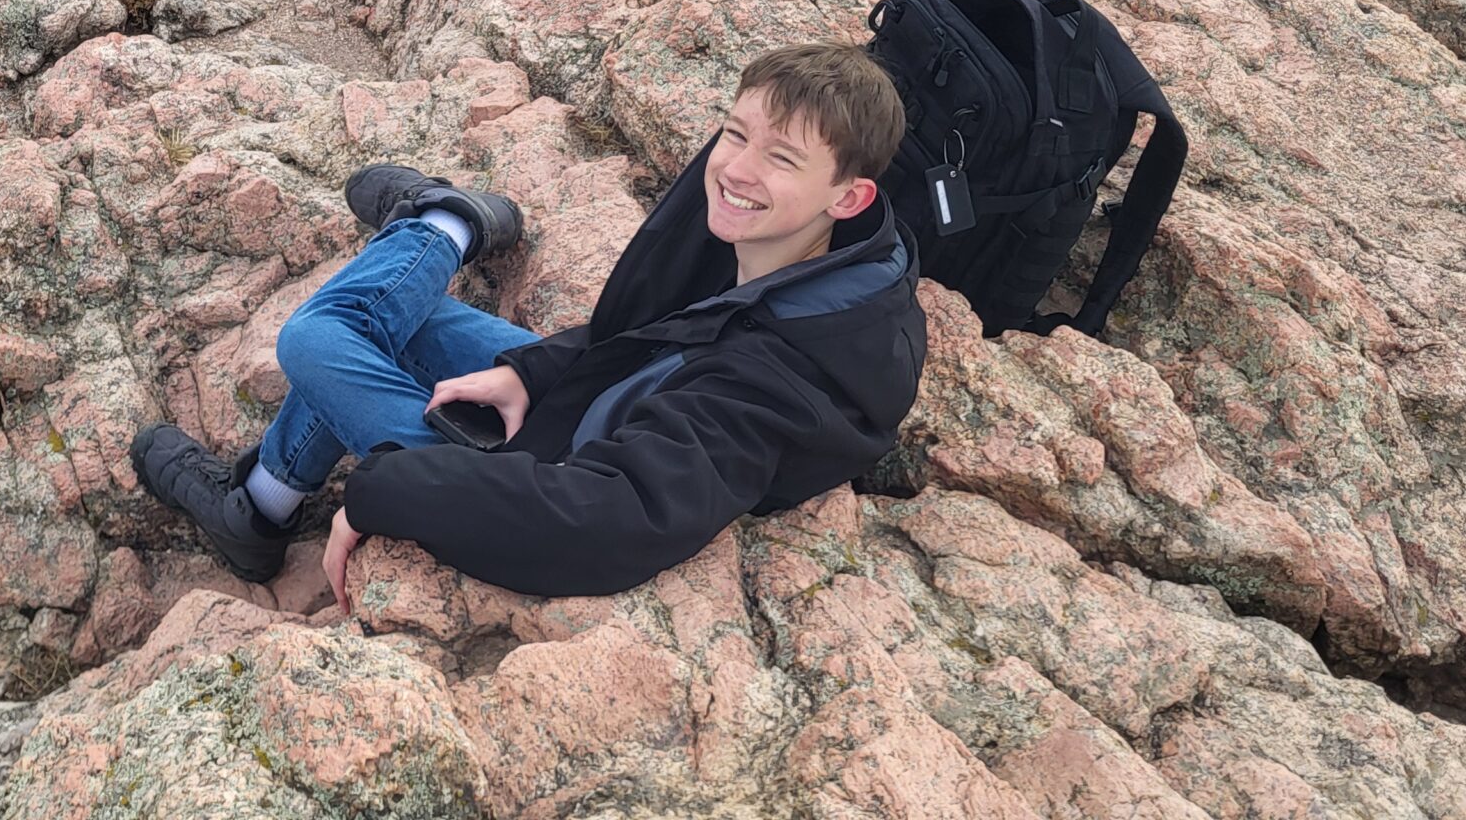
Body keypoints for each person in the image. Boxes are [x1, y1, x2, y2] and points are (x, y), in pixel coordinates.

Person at [129, 42, 925, 605]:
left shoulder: (781, 378)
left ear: (848, 195)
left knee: (319, 335)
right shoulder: (807, 245)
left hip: (548, 471)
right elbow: (653, 344)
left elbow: (607, 523)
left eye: (782, 158)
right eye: (737, 133)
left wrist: (380, 492)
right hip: (598, 400)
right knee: (404, 318)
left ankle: (440, 229)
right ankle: (260, 509)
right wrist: (532, 372)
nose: (737, 169)